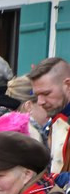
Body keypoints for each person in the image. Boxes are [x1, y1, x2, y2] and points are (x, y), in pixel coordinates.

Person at [27, 58, 70, 186]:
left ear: (67, 85)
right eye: (37, 95)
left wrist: (49, 180)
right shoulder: (51, 123)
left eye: (46, 93)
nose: (40, 102)